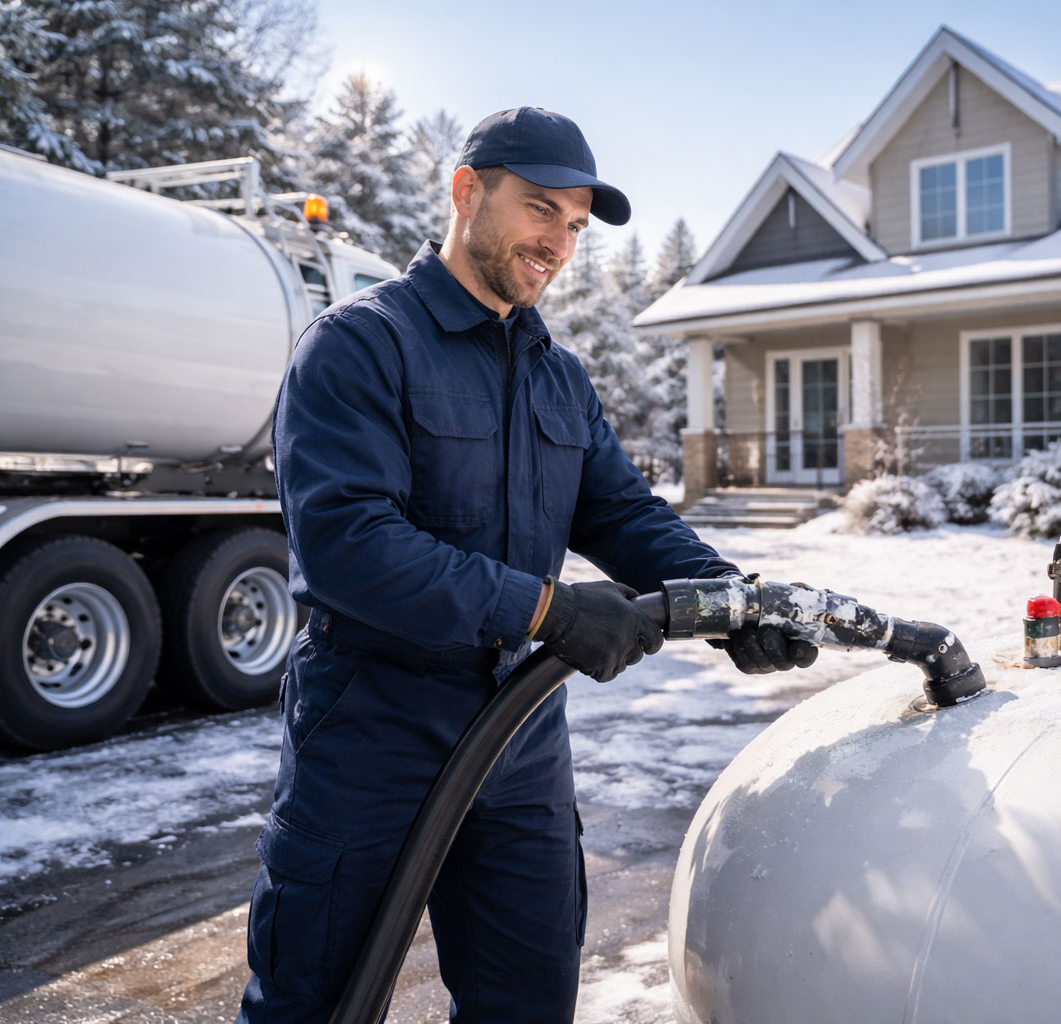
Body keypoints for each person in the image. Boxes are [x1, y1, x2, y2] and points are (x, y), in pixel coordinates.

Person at [235, 107, 815, 1023]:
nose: (558, 242)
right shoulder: (361, 345)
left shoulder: (558, 374)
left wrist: (734, 601)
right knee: (315, 999)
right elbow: (351, 544)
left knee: (527, 999)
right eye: (541, 210)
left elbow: (621, 513)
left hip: (520, 738)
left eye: (575, 226)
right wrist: (546, 610)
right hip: (372, 725)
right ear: (468, 192)